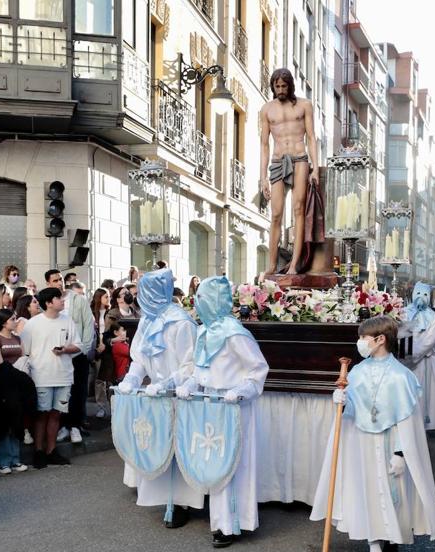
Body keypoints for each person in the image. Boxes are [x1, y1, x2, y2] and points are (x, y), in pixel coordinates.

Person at [311, 316, 435, 552]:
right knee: (369, 490)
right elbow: (351, 411)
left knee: (395, 495)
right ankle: (373, 540)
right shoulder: (357, 372)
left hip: (391, 443)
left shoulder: (401, 377)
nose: (360, 342)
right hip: (363, 443)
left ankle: (392, 539)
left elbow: (409, 422)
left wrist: (401, 453)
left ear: (380, 339)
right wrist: (341, 402)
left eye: (363, 337)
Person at [176, 275, 269, 547]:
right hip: (208, 406)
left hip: (232, 407)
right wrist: (191, 382)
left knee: (233, 466)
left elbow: (257, 369)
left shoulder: (234, 333)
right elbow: (201, 368)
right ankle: (219, 521)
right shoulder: (204, 331)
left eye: (203, 298)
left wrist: (240, 391)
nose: (198, 302)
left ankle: (231, 524)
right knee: (214, 463)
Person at [117, 268, 201, 528]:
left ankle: (181, 502)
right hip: (154, 394)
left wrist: (168, 383)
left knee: (179, 450)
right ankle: (161, 496)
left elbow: (190, 364)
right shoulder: (147, 320)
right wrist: (132, 378)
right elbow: (140, 357)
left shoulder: (182, 323)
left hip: (179, 393)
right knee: (156, 444)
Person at [260, 67, 323, 276]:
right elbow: (264, 145)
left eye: (283, 86)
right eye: (277, 86)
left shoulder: (304, 105)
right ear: (273, 87)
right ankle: (271, 264)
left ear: (290, 86)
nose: (280, 89)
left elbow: (311, 137)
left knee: (298, 210)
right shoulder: (267, 109)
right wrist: (262, 179)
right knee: (276, 213)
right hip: (278, 161)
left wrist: (315, 167)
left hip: (299, 159)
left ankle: (294, 264)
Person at [21, 288, 82, 467]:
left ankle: (51, 450)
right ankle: (39, 451)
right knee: (41, 415)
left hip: (64, 375)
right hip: (41, 376)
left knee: (56, 415)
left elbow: (78, 345)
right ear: (48, 303)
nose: (62, 301)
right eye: (58, 298)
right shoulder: (33, 324)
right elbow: (25, 350)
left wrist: (65, 349)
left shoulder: (68, 320)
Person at [49, 270, 93, 444]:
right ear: (48, 283)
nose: (59, 282)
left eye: (60, 279)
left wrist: (83, 350)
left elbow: (88, 325)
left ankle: (75, 426)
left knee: (78, 390)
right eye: (55, 280)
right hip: (57, 355)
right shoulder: (47, 301)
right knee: (60, 392)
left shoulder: (78, 300)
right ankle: (63, 426)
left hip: (77, 354)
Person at [0, 309, 33, 475]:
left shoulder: (17, 338)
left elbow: (24, 356)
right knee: (4, 424)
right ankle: (2, 460)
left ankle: (15, 459)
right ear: (4, 322)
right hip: (4, 385)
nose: (16, 321)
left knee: (16, 423)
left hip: (18, 385)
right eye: (13, 319)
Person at [400, 282, 435, 431]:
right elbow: (399, 334)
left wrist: (413, 356)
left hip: (422, 362)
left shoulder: (433, 317)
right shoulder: (403, 312)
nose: (421, 297)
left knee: (420, 394)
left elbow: (429, 341)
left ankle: (418, 426)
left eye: (425, 294)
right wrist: (404, 354)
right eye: (418, 293)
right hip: (402, 361)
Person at [90, 288, 112, 418]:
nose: (108, 299)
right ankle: (101, 406)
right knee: (99, 380)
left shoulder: (111, 312)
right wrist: (97, 346)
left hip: (109, 347)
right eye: (105, 297)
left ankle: (111, 405)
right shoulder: (93, 313)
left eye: (109, 296)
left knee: (109, 379)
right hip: (97, 349)